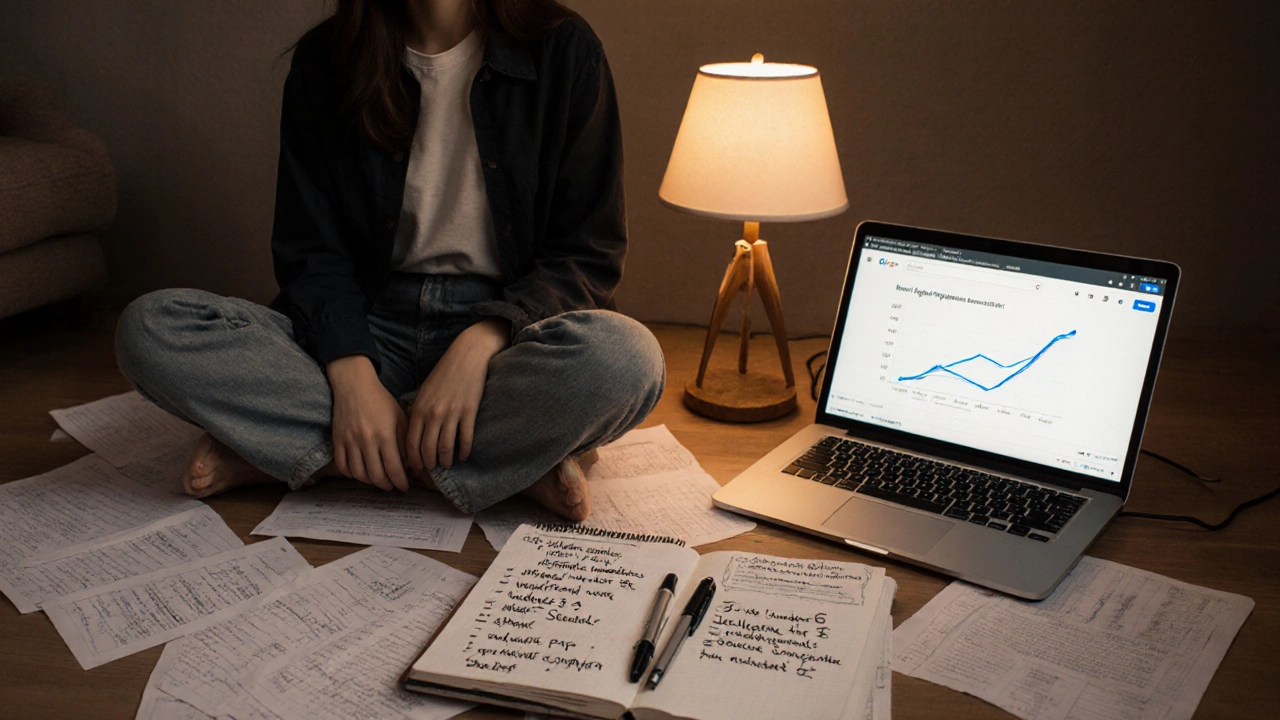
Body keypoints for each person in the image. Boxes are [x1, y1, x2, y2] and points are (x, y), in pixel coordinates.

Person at [114, 0, 664, 521]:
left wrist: (485, 337)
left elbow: (588, 253)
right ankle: (501, 465)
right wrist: (351, 374)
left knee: (627, 361)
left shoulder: (566, 51)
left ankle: (311, 456)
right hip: (366, 319)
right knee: (151, 329)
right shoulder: (325, 61)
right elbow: (311, 252)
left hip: (508, 335)